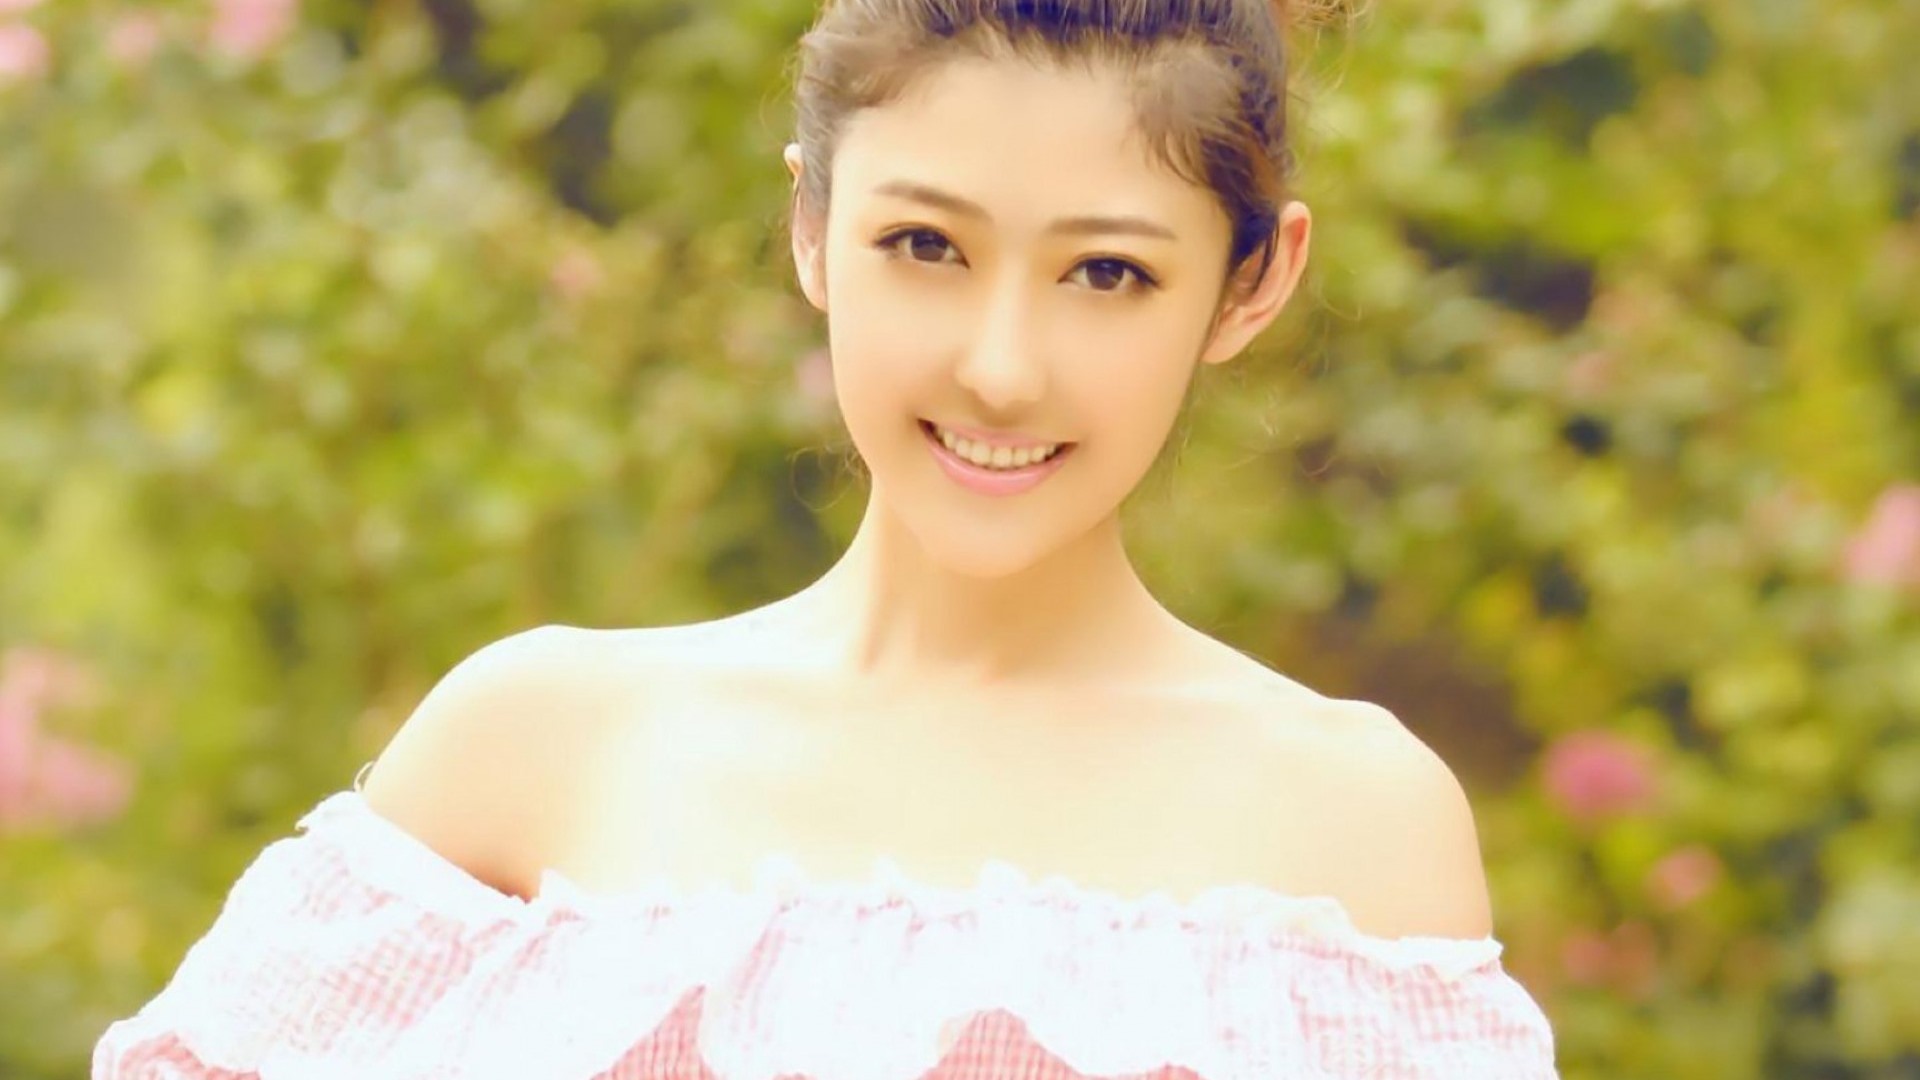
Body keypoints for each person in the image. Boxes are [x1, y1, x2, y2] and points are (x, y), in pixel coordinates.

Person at [93, 1, 1560, 1076]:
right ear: (810, 226)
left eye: (1107, 273)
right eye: (926, 246)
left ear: (1252, 284)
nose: (1001, 367)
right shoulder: (533, 746)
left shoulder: (1352, 826)